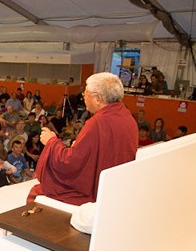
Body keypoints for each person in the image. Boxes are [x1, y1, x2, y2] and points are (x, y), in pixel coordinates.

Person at [29, 72, 139, 205]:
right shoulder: (127, 117)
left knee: (36, 192)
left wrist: (51, 141)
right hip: (116, 186)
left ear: (98, 98)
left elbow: (70, 162)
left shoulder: (96, 123)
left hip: (93, 191)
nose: (83, 97)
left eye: (85, 93)